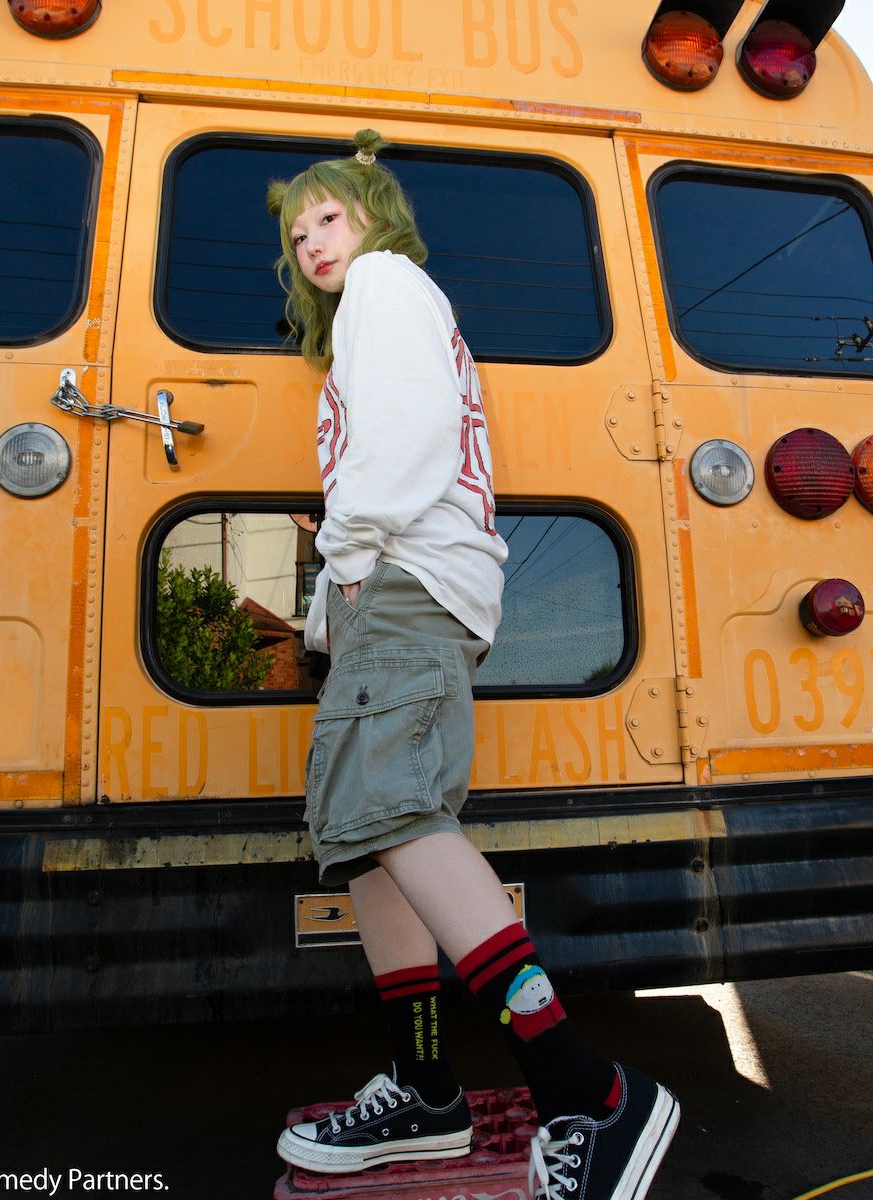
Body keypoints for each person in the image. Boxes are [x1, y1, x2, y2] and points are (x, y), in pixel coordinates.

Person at [266, 129, 680, 1200]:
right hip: (401, 591)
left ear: (374, 218)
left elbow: (404, 439)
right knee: (372, 840)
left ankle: (589, 1093)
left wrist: (347, 553)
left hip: (403, 581)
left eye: (329, 216)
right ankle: (424, 1088)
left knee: (394, 815)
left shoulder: (385, 285)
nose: (314, 242)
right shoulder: (379, 308)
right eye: (297, 232)